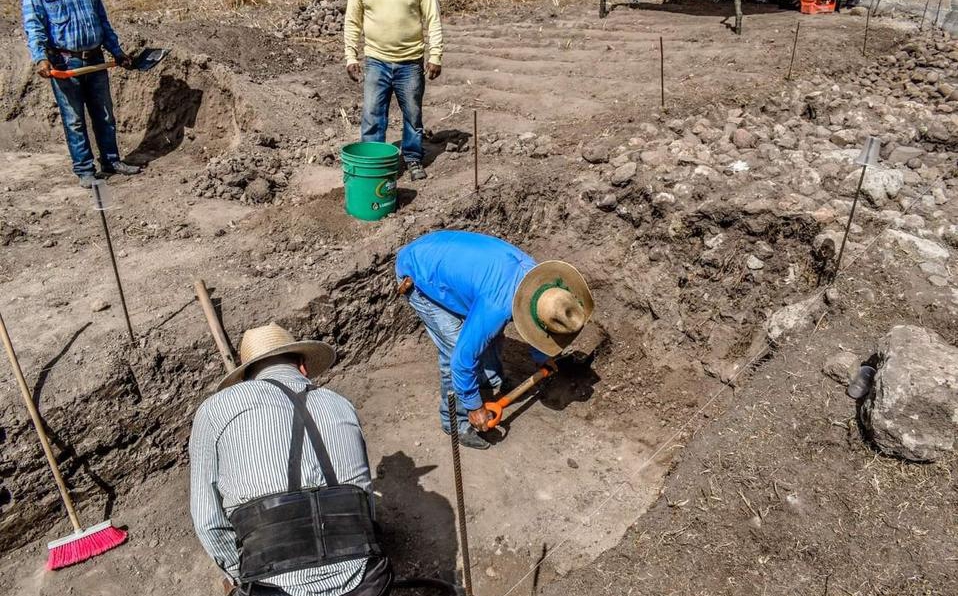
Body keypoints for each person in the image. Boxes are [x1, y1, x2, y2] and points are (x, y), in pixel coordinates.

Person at [190, 323, 390, 596]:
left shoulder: (215, 409)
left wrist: (241, 576)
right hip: (366, 583)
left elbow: (208, 521)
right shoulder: (340, 403)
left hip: (273, 587)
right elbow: (365, 502)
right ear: (303, 366)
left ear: (247, 377)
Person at [396, 231, 595, 450]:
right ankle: (456, 421)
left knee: (489, 332)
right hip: (419, 273)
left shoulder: (542, 284)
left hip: (447, 257)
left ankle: (488, 380)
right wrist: (474, 406)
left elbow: (542, 326)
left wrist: (541, 358)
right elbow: (462, 362)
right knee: (456, 349)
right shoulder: (496, 306)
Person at [22, 0, 142, 188]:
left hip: (95, 59)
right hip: (65, 63)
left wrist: (117, 52)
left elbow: (102, 21)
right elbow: (34, 27)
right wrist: (41, 58)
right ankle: (85, 170)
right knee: (74, 120)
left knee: (105, 115)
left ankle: (111, 162)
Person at [343, 0, 443, 181]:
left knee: (413, 114)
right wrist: (351, 57)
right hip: (376, 60)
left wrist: (435, 55)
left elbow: (433, 19)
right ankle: (373, 162)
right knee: (372, 114)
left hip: (411, 61)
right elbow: (352, 20)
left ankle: (413, 157)